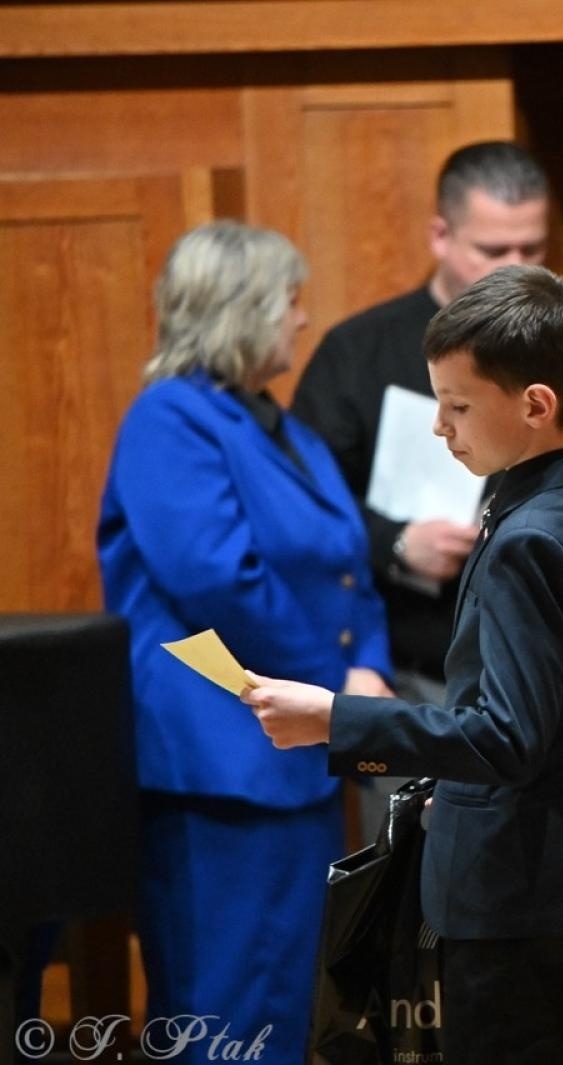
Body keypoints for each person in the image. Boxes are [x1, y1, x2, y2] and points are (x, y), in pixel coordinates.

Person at [245, 264, 563, 1065]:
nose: (439, 426)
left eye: (457, 406)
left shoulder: (529, 537)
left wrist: (335, 719)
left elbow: (506, 738)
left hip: (515, 900)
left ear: (535, 405)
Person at [97, 220, 393, 1064]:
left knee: (288, 999)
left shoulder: (276, 425)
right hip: (218, 765)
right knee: (226, 1008)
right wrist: (336, 679)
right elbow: (220, 578)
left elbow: (348, 565)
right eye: (291, 300)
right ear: (243, 309)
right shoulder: (169, 420)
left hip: (293, 754)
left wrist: (366, 666)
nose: (303, 318)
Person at [291, 143, 563, 826]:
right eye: (492, 249)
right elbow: (307, 504)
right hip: (409, 663)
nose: (515, 267)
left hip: (557, 678)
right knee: (422, 872)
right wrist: (397, 543)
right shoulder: (358, 351)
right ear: (441, 236)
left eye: (532, 248)